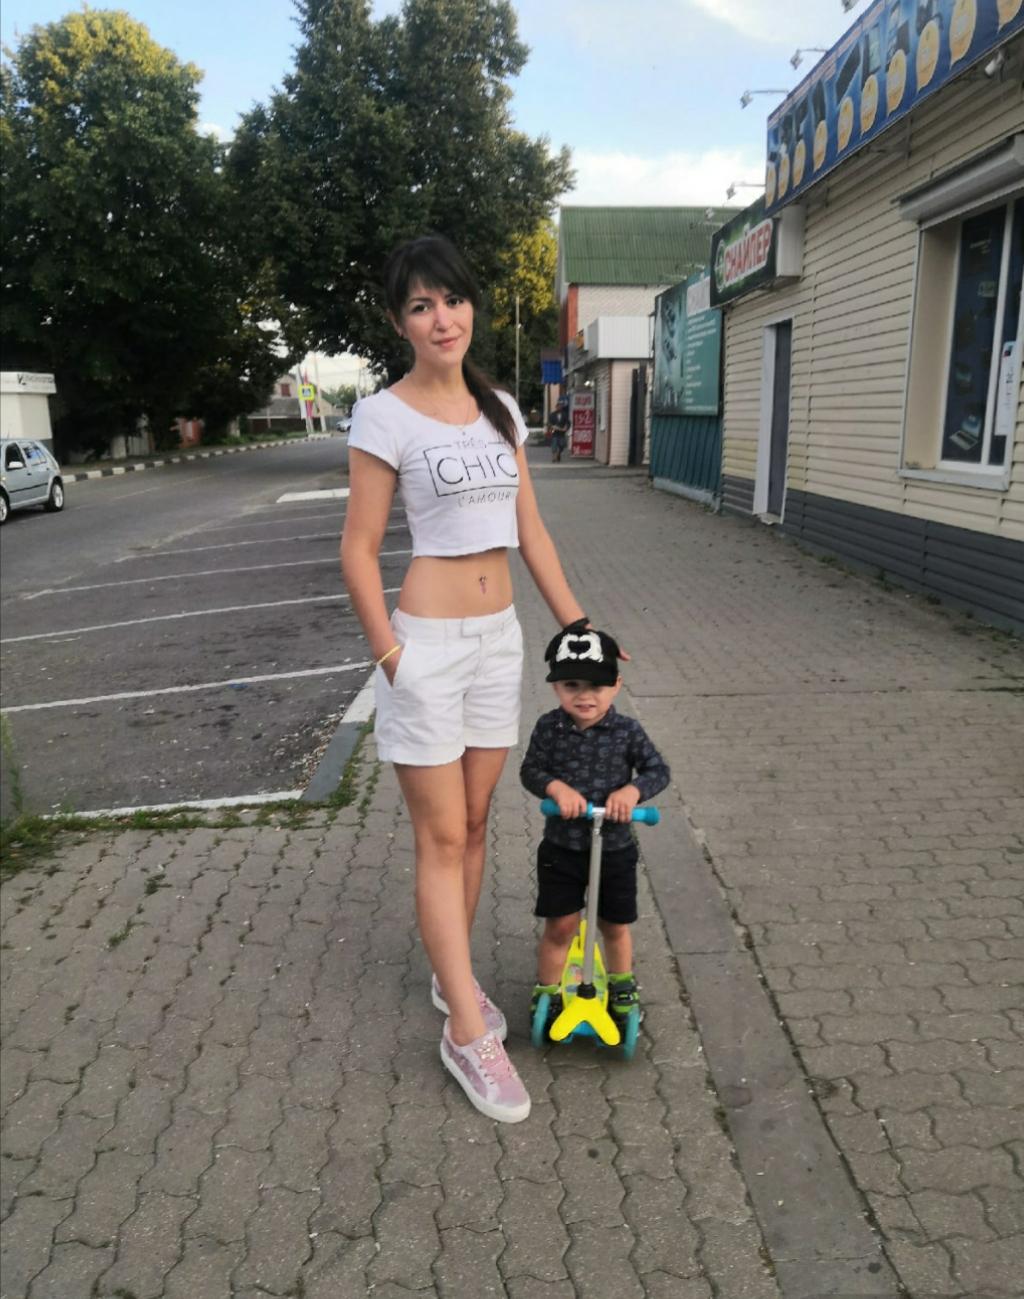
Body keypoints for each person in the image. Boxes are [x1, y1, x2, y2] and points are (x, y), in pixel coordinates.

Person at [340, 234, 607, 1124]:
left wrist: (580, 630)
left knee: (480, 820)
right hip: (425, 646)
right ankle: (464, 1027)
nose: (441, 318)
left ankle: (446, 973)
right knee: (442, 835)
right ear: (399, 322)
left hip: (499, 642)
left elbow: (532, 532)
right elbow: (359, 549)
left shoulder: (500, 410)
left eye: (451, 299)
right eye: (420, 305)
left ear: (470, 307)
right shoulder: (383, 416)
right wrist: (391, 658)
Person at [519, 626, 669, 1035]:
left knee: (615, 924)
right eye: (572, 685)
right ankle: (547, 990)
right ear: (556, 687)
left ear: (616, 685)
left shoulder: (627, 731)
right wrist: (555, 787)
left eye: (597, 686)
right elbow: (531, 770)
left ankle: (622, 985)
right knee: (560, 926)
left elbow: (658, 769)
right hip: (562, 847)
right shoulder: (550, 728)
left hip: (615, 847)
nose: (585, 696)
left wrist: (633, 790)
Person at [548, 397, 568, 462]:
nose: (559, 407)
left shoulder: (564, 414)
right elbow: (550, 424)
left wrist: (566, 427)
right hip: (555, 433)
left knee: (562, 445)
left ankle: (559, 453)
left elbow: (567, 422)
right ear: (556, 407)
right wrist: (553, 427)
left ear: (561, 407)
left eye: (560, 406)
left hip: (562, 434)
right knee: (554, 444)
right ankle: (554, 457)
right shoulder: (552, 415)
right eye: (558, 406)